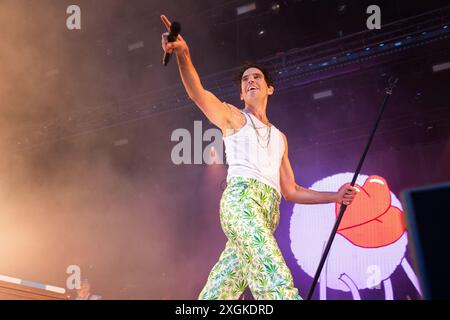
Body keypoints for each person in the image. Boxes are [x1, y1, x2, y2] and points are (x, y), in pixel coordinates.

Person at [160, 15, 357, 300]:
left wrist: (335, 197)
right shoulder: (233, 117)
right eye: (245, 79)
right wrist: (183, 54)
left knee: (221, 289)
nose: (250, 81)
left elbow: (291, 190)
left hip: (267, 214)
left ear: (269, 88)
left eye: (257, 77)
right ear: (241, 93)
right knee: (273, 275)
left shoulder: (280, 137)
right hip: (241, 203)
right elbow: (197, 93)